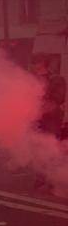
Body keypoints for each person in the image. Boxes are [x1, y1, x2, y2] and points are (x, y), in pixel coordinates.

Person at [30, 57, 66, 191]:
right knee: (38, 150)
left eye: (34, 63)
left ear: (42, 63)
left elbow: (59, 98)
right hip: (37, 120)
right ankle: (41, 178)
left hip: (51, 122)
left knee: (50, 150)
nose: (32, 66)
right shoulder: (33, 79)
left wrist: (43, 93)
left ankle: (51, 180)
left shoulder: (56, 79)